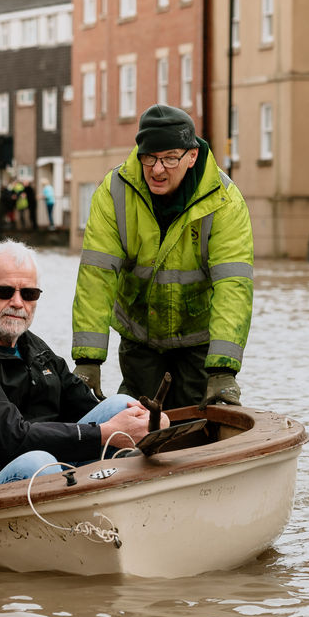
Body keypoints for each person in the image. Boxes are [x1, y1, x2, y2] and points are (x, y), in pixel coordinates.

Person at [0, 240, 163, 491]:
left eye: (28, 294)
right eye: (4, 292)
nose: (17, 302)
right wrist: (104, 433)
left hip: (46, 465)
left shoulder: (33, 348)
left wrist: (148, 422)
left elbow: (86, 407)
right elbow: (12, 438)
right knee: (38, 463)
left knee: (121, 404)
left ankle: (134, 498)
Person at [71, 104, 254, 411]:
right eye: (150, 157)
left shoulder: (224, 200)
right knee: (136, 417)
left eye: (170, 158)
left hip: (198, 338)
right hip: (140, 335)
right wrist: (88, 361)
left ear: (192, 156)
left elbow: (233, 285)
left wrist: (223, 370)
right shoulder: (114, 192)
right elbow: (96, 277)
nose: (157, 169)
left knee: (196, 420)